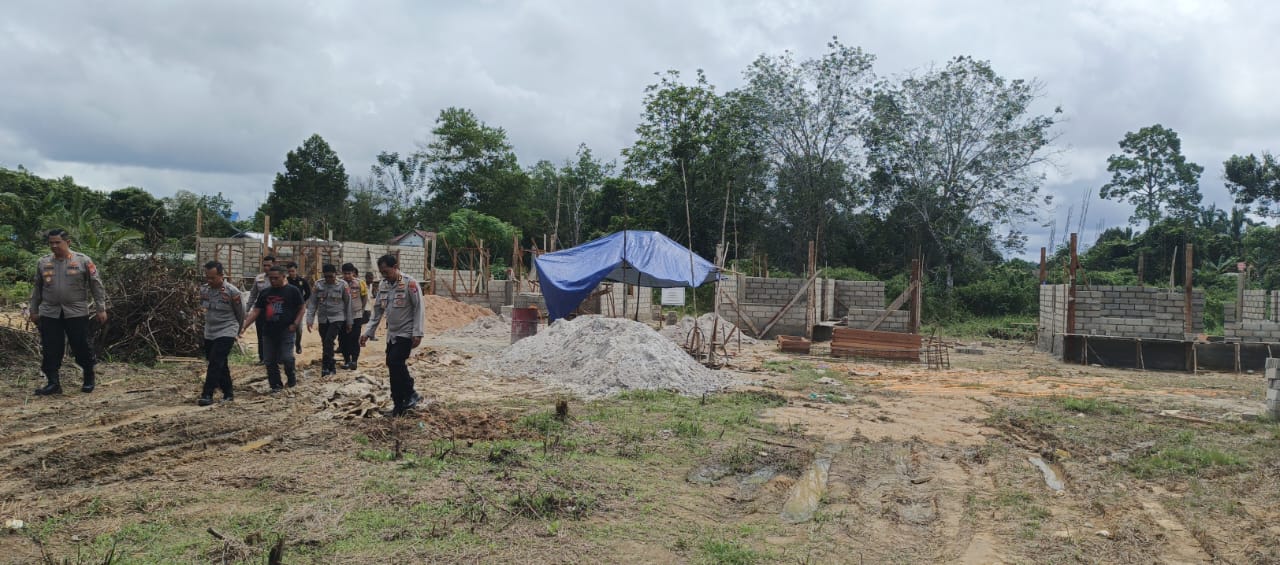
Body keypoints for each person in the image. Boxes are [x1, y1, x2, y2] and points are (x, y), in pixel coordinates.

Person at [27, 228, 108, 395]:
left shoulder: (83, 260)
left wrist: (101, 308)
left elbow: (96, 285)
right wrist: (33, 310)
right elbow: (37, 288)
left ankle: (88, 378)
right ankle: (53, 383)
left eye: (58, 242)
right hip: (50, 312)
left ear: (68, 242)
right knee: (50, 347)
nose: (54, 246)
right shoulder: (43, 262)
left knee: (81, 345)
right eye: (51, 243)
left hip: (76, 311)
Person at [360, 254, 424, 416]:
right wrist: (368, 332)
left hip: (406, 332)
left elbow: (419, 309)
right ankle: (399, 405)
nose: (384, 275)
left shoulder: (410, 283)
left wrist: (417, 333)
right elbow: (377, 311)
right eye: (382, 272)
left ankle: (410, 393)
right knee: (393, 366)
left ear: (395, 267)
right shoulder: (384, 285)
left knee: (394, 361)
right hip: (392, 333)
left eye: (386, 271)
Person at [239, 266, 306, 392]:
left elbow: (302, 308)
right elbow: (256, 311)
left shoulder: (293, 291)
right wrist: (244, 326)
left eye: (276, 278)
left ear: (283, 277)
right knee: (269, 360)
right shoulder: (265, 293)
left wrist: (295, 324)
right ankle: (275, 385)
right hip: (268, 331)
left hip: (287, 330)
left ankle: (291, 378)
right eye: (271, 278)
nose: (273, 281)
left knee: (287, 357)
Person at [199, 261, 244, 405]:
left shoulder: (232, 292)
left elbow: (240, 313)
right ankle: (228, 393)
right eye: (207, 277)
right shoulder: (204, 290)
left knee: (215, 361)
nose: (209, 280)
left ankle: (207, 394)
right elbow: (203, 308)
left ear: (221, 275)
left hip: (227, 329)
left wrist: (237, 331)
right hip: (210, 331)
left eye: (212, 278)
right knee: (219, 362)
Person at [306, 264, 352, 376]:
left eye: (331, 276)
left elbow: (348, 304)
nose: (328, 279)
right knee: (326, 342)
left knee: (328, 340)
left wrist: (349, 321)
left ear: (335, 274)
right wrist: (309, 319)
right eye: (326, 276)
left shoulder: (343, 285)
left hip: (337, 317)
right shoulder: (318, 284)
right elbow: (312, 303)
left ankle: (325, 367)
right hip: (323, 318)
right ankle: (331, 365)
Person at [245, 255, 275, 363]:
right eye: (264, 265)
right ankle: (263, 358)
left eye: (269, 265)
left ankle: (275, 357)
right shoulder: (259, 278)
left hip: (274, 310)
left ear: (274, 264)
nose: (266, 268)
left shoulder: (279, 278)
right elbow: (253, 295)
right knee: (261, 334)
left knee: (273, 334)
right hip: (260, 310)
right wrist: (247, 309)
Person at [339, 263, 369, 370]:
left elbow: (364, 297)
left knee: (354, 337)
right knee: (343, 339)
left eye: (349, 273)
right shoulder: (339, 283)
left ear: (353, 273)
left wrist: (361, 309)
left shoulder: (360, 283)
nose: (347, 276)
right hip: (342, 316)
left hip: (356, 315)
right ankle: (347, 360)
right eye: (345, 273)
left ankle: (354, 361)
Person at [286, 262, 311, 355]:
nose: (291, 273)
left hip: (299, 308)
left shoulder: (302, 281)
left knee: (299, 329)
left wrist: (302, 300)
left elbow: (308, 292)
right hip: (288, 308)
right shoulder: (286, 280)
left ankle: (298, 344)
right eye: (289, 271)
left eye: (292, 271)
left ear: (296, 270)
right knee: (288, 328)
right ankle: (289, 347)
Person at [364, 271, 379, 341]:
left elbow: (372, 295)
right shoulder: (363, 285)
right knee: (371, 322)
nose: (371, 280)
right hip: (364, 307)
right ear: (366, 278)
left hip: (369, 307)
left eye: (372, 278)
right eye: (370, 278)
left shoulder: (371, 285)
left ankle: (371, 335)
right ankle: (370, 336)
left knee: (371, 322)